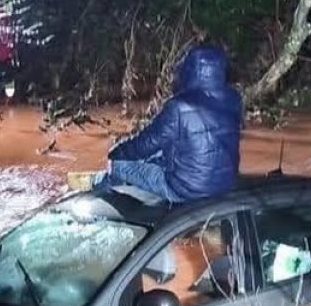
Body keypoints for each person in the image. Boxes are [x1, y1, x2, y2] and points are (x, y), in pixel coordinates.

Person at [77, 42, 242, 203]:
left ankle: (99, 190)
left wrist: (116, 152)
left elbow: (146, 143)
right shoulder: (234, 99)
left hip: (186, 189)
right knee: (158, 155)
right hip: (225, 184)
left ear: (190, 70)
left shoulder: (178, 106)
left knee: (119, 164)